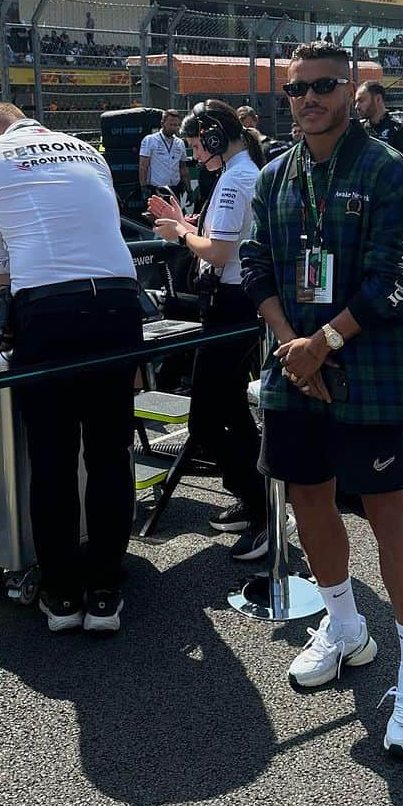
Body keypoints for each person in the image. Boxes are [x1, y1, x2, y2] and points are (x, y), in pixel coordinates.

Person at [241, 42, 403, 756]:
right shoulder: (275, 177)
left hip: (369, 371)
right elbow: (255, 263)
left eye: (322, 86)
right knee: (306, 498)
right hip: (295, 367)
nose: (308, 99)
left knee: (389, 513)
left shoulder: (388, 170)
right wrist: (292, 346)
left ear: (350, 89)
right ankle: (345, 624)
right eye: (296, 90)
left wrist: (323, 343)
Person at [0, 103, 142, 635]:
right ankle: (105, 589)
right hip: (117, 301)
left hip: (48, 309)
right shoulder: (89, 151)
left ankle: (62, 595)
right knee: (109, 450)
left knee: (53, 455)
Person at [148, 100, 267, 559]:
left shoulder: (237, 177)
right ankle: (250, 495)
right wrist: (184, 223)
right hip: (232, 303)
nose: (195, 155)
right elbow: (220, 239)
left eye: (198, 145)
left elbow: (217, 252)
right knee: (232, 409)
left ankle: (262, 508)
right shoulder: (237, 174)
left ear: (216, 138)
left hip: (230, 304)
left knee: (206, 419)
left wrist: (179, 234)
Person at [138, 109, 187, 202]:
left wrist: (188, 189)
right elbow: (143, 166)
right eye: (171, 124)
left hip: (175, 189)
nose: (173, 127)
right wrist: (143, 187)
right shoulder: (150, 140)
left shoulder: (180, 143)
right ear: (162, 123)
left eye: (176, 125)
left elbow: (183, 168)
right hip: (157, 190)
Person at [354, 81, 403, 158]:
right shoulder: (359, 129)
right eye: (356, 102)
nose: (357, 107)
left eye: (361, 101)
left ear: (378, 99)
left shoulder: (401, 128)